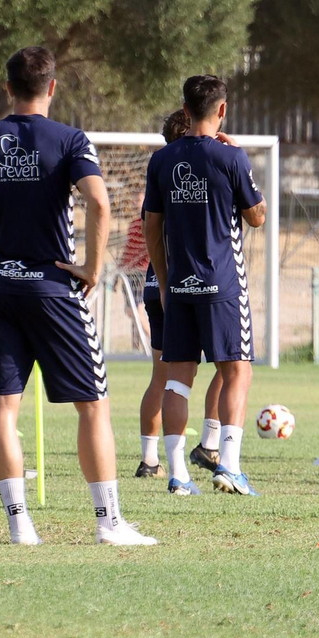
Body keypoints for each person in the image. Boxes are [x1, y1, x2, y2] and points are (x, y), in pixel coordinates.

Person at [0, 46, 154, 545]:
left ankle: (19, 524)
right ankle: (109, 524)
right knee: (93, 406)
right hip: (53, 290)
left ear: (7, 89)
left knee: (3, 409)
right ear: (51, 88)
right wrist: (89, 267)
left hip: (1, 286)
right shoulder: (69, 140)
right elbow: (99, 201)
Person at [143, 75, 268, 497]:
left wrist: (163, 281)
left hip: (179, 285)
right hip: (222, 284)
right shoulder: (231, 158)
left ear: (185, 108)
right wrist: (240, 163)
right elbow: (257, 217)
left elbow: (151, 226)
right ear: (222, 110)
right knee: (237, 371)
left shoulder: (162, 160)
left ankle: (177, 475)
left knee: (178, 378)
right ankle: (228, 467)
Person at [129, 109, 194, 478]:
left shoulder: (158, 177)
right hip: (184, 286)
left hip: (155, 282)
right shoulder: (191, 179)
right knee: (227, 368)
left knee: (160, 376)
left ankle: (148, 459)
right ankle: (210, 450)